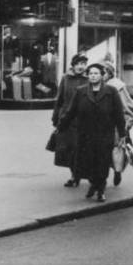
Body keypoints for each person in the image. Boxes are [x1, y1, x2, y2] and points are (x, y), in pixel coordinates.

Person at [56, 63, 128, 203]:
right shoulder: (81, 91)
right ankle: (93, 184)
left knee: (102, 163)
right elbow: (71, 111)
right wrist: (61, 126)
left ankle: (100, 190)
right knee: (88, 162)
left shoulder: (111, 91)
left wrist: (122, 134)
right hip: (85, 134)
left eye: (96, 73)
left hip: (104, 134)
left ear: (102, 76)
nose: (93, 76)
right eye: (90, 74)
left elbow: (118, 114)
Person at [52, 54, 89, 187]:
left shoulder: (89, 79)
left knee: (82, 148)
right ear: (73, 65)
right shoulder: (66, 78)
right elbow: (60, 99)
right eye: (78, 63)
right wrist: (56, 117)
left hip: (83, 119)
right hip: (67, 119)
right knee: (69, 149)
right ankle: (74, 176)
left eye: (83, 64)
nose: (81, 66)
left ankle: (83, 174)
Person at [103, 63, 133, 187]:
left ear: (110, 73)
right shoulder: (96, 85)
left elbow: (127, 105)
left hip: (116, 123)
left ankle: (117, 171)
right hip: (101, 123)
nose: (101, 75)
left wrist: (128, 120)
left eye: (104, 72)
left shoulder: (117, 86)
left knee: (117, 148)